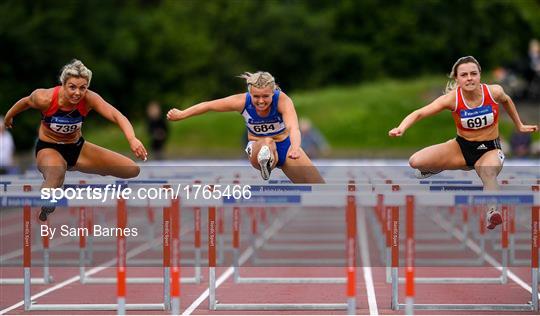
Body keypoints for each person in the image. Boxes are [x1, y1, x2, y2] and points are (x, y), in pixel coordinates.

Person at [389, 56, 538, 229]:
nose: (469, 78)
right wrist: (401, 127)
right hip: (462, 147)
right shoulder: (452, 99)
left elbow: (507, 101)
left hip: (489, 149)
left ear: (480, 75)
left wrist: (519, 124)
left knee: (488, 172)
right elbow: (420, 113)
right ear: (457, 79)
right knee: (415, 162)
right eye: (464, 75)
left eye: (473, 74)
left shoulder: (494, 91)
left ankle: (492, 212)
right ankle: (439, 166)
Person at [4, 59, 147, 221]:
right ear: (63, 84)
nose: (77, 93)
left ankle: (76, 167)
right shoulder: (45, 98)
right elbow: (25, 102)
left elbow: (116, 115)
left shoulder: (89, 99)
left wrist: (132, 138)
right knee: (56, 174)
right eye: (72, 87)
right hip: (49, 148)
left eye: (82, 88)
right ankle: (46, 202)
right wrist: (8, 117)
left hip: (77, 148)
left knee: (132, 169)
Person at [167, 71, 324, 183]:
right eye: (256, 96)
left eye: (265, 96)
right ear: (250, 93)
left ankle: (270, 159)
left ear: (273, 92)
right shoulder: (241, 101)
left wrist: (295, 148)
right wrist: (182, 114)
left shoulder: (282, 100)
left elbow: (293, 128)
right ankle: (266, 159)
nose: (261, 101)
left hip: (285, 146)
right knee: (267, 141)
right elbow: (209, 106)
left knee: (317, 186)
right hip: (257, 147)